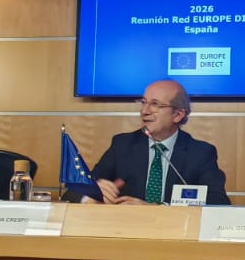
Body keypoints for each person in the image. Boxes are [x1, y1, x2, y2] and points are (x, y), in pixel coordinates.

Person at [87, 79, 229, 205]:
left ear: (178, 114)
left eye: (155, 104)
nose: (144, 111)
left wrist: (157, 208)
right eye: (143, 103)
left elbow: (218, 202)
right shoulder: (123, 145)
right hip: (126, 224)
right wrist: (94, 193)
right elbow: (79, 189)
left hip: (175, 226)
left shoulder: (200, 153)